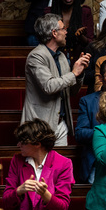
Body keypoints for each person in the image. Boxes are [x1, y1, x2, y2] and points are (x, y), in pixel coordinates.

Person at [0, 119, 75, 210]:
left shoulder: (64, 163)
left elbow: (63, 207)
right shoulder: (17, 160)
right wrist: (19, 191)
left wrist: (46, 195)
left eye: (22, 141)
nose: (18, 145)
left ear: (37, 143)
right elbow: (6, 201)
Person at [21, 13, 91, 146]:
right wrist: (73, 73)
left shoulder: (62, 57)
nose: (66, 32)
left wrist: (80, 73)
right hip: (39, 125)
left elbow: (71, 91)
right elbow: (49, 86)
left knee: (59, 166)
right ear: (54, 33)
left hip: (61, 124)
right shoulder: (36, 56)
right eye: (63, 29)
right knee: (39, 166)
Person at [44, 0, 94, 65]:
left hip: (79, 59)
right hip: (55, 60)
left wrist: (81, 36)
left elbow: (90, 43)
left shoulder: (85, 12)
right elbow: (46, 41)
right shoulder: (49, 13)